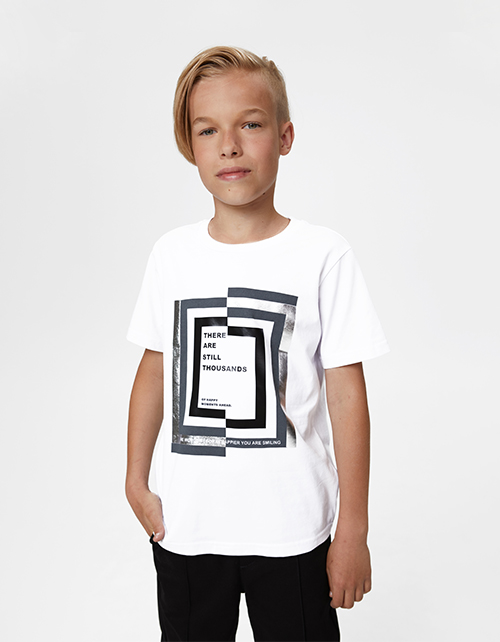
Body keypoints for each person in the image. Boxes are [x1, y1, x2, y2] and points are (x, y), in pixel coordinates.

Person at [126, 45, 389, 642]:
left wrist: (353, 528)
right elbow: (154, 367)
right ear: (190, 147)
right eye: (208, 130)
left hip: (293, 528)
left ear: (284, 136)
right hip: (188, 527)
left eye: (249, 124)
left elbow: (347, 395)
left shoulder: (323, 254)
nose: (229, 146)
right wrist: (135, 481)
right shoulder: (172, 255)